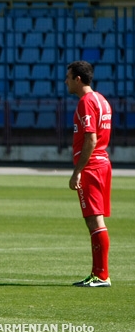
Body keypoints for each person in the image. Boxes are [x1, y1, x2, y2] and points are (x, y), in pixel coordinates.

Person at [65, 60, 112, 287]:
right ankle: (98, 273)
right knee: (96, 221)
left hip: (91, 166)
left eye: (68, 77)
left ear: (78, 79)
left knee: (94, 221)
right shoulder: (102, 100)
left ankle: (101, 275)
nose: (66, 81)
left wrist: (77, 171)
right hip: (103, 163)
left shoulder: (86, 102)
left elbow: (91, 139)